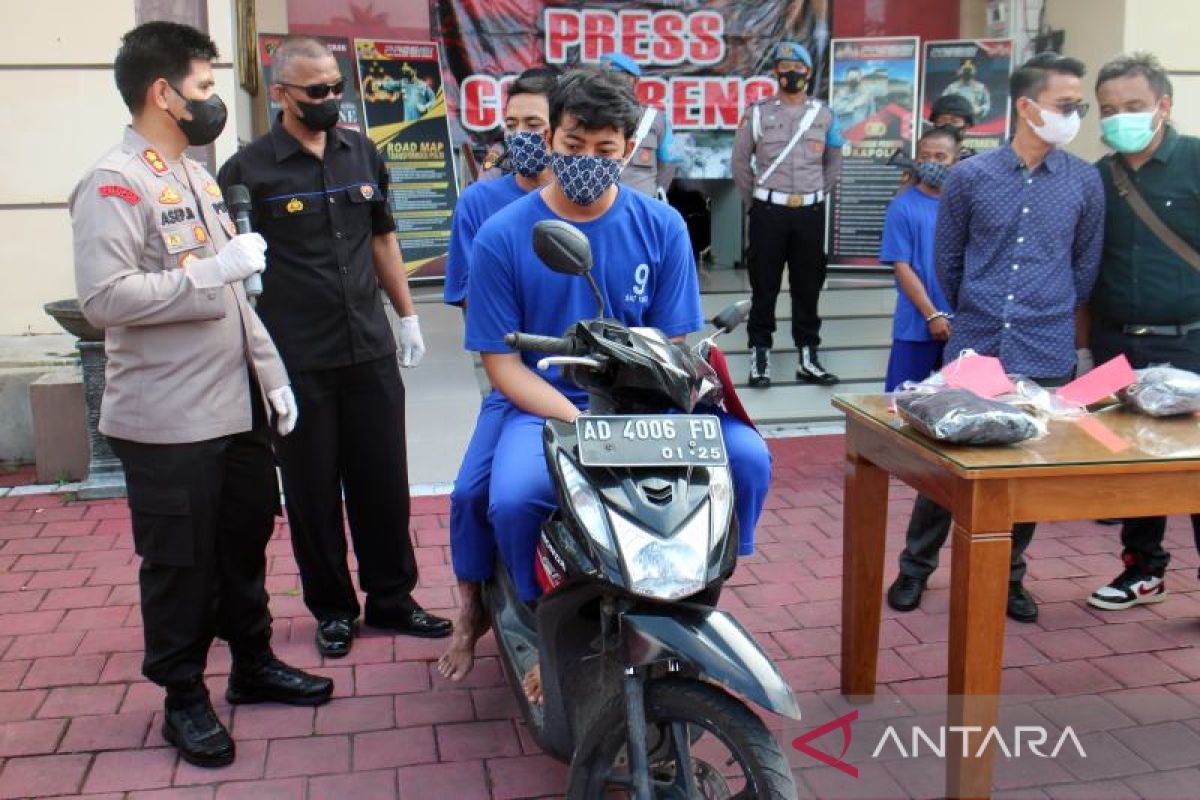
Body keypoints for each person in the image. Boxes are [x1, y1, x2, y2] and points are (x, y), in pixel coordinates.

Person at [70, 21, 332, 768]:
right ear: (163, 93)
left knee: (241, 543)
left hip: (233, 403)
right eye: (206, 88)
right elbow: (105, 299)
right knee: (181, 563)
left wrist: (272, 378)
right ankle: (183, 696)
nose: (215, 102)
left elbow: (238, 302)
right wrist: (206, 273)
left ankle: (251, 664)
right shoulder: (115, 183)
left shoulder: (196, 175)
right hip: (167, 417)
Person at [463, 68, 772, 700]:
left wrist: (659, 398)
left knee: (747, 457)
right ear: (550, 137)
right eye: (574, 146)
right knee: (514, 498)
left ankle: (698, 590)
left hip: (644, 403)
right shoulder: (501, 235)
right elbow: (502, 364)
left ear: (628, 149)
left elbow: (675, 342)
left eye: (606, 151)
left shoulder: (662, 228)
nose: (587, 162)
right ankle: (535, 620)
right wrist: (579, 423)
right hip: (552, 404)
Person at [218, 37, 451, 660]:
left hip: (368, 349)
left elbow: (383, 242)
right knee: (313, 492)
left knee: (384, 482)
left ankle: (393, 599)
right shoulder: (248, 171)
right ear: (282, 94)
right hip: (298, 360)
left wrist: (407, 318)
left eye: (335, 88)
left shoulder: (364, 153)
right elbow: (235, 276)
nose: (329, 100)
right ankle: (333, 610)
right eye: (316, 91)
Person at [885, 52, 1104, 623]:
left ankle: (1008, 576)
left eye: (1077, 105)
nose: (1074, 114)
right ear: (1027, 107)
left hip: (1045, 348)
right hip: (976, 345)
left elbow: (1084, 269)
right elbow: (948, 262)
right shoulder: (970, 177)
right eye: (1065, 104)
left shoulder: (1084, 181)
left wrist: (1052, 317)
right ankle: (914, 569)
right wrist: (975, 310)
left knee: (1021, 475)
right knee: (948, 463)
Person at [437, 67, 558, 681]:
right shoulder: (483, 202)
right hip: (509, 371)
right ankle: (472, 612)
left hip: (589, 378)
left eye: (534, 125)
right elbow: (465, 296)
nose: (522, 136)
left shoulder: (597, 198)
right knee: (471, 494)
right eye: (512, 125)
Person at [1081, 53, 1200, 611]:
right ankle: (1143, 571)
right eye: (1109, 110)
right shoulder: (1097, 177)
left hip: (1190, 341)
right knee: (1134, 464)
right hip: (1116, 343)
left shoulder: (1197, 162)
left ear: (1163, 105)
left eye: (1133, 106)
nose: (1120, 118)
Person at [732, 40, 844, 388]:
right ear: (776, 73)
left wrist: (815, 195)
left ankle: (808, 354)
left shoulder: (824, 115)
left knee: (807, 286)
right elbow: (739, 162)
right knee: (764, 286)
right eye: (783, 68)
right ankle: (760, 353)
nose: (790, 73)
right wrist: (758, 203)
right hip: (768, 211)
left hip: (809, 212)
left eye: (797, 68)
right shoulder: (758, 113)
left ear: (808, 73)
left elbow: (834, 161)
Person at [881, 126, 960, 391]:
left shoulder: (965, 204)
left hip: (961, 327)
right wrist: (932, 315)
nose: (931, 163)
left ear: (956, 160)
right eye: (925, 156)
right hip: (915, 326)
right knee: (899, 404)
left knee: (960, 406)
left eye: (940, 157)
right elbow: (901, 267)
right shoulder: (902, 207)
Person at [599, 51, 678, 199]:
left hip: (640, 206)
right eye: (606, 79)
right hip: (595, 207)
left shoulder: (655, 119)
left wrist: (654, 195)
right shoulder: (584, 117)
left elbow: (668, 163)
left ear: (634, 82)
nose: (611, 85)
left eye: (619, 79)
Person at [929, 93, 978, 160]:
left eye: (955, 121)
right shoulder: (924, 158)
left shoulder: (975, 162)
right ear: (934, 125)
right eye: (942, 121)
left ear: (966, 126)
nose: (948, 125)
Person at [831, 65, 876, 132]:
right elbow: (834, 111)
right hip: (842, 136)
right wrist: (854, 104)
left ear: (860, 78)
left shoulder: (867, 97)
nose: (853, 79)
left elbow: (872, 117)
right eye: (851, 77)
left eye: (856, 77)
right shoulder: (839, 95)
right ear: (846, 78)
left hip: (860, 135)